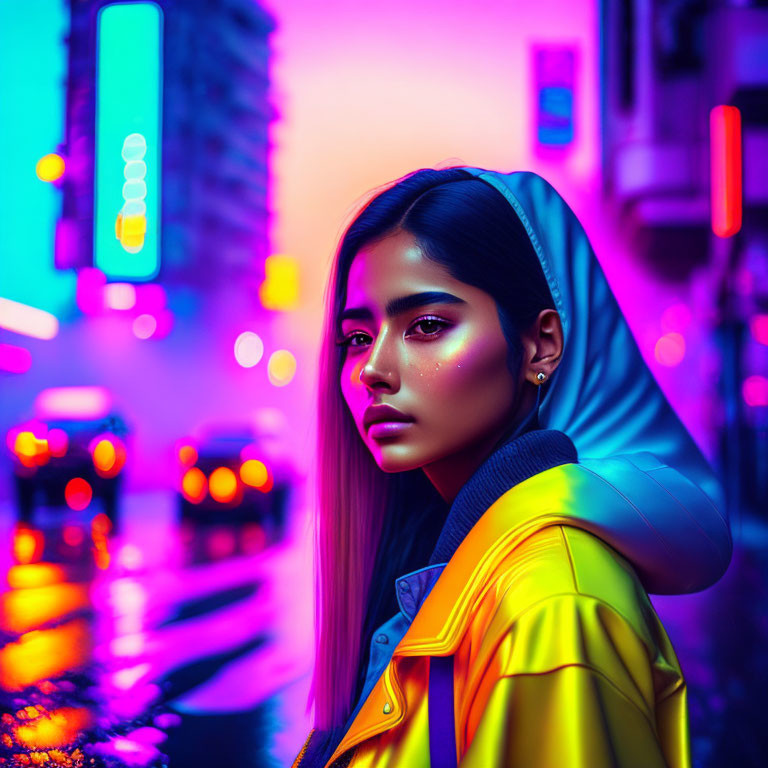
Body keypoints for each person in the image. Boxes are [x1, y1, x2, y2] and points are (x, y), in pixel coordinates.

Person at [291, 167, 732, 768]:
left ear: (539, 345)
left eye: (425, 326)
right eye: (358, 337)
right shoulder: (447, 567)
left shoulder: (555, 604)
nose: (371, 369)